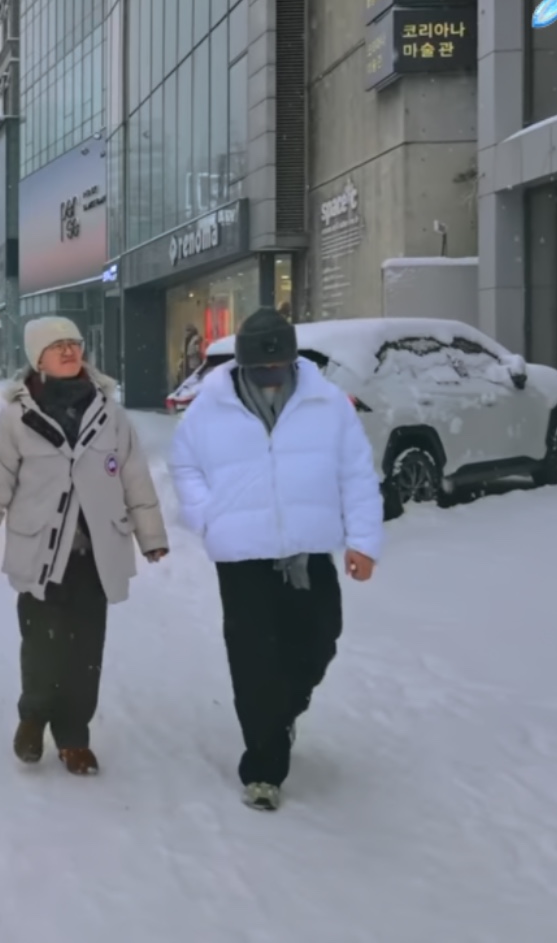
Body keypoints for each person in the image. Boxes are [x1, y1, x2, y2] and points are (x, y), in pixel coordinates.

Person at [167, 306, 383, 812]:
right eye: (260, 368)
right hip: (241, 555)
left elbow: (357, 474)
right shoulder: (210, 406)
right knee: (253, 659)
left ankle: (283, 712)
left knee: (319, 640)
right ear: (242, 364)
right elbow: (185, 464)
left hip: (308, 549)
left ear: (291, 360)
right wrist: (206, 517)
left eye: (278, 365)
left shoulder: (327, 404)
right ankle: (263, 766)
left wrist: (363, 542)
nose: (270, 375)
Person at [0, 316, 171, 775]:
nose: (69, 351)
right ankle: (34, 717)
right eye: (57, 346)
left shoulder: (110, 414)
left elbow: (135, 479)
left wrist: (151, 537)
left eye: (74, 344)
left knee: (85, 650)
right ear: (38, 358)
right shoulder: (17, 417)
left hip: (97, 555)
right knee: (41, 643)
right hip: (39, 552)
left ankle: (74, 735)